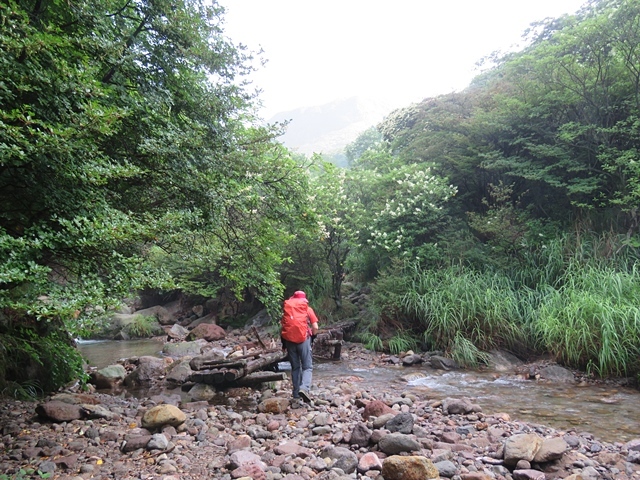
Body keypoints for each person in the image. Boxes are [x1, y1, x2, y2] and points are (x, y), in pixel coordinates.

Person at [280, 290, 319, 402]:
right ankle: (304, 388)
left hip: (289, 341)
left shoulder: (288, 310)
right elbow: (315, 327)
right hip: (304, 340)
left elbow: (283, 327)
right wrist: (312, 338)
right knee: (307, 367)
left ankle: (296, 394)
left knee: (295, 367)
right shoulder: (307, 309)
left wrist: (284, 344)